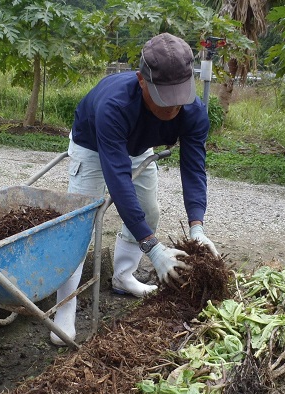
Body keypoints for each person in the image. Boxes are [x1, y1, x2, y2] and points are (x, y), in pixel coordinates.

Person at [50, 32, 219, 346]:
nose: (173, 109)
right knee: (79, 224)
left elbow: (194, 168)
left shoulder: (193, 112)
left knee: (149, 210)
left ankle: (124, 277)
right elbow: (117, 178)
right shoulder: (114, 105)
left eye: (179, 97)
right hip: (94, 143)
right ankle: (64, 309)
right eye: (164, 98)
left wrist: (197, 226)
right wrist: (153, 248)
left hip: (139, 143)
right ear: (142, 81)